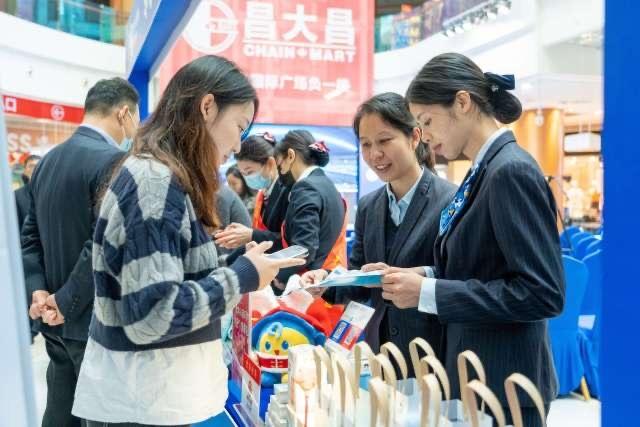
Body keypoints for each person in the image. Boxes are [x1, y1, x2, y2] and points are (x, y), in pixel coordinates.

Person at [70, 55, 304, 427]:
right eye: (239, 127)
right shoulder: (154, 182)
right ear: (207, 107)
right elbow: (152, 313)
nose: (238, 145)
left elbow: (166, 277)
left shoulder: (161, 176)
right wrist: (242, 275)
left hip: (150, 396)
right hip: (145, 403)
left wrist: (237, 266)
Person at [399, 52, 564, 426]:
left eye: (426, 121)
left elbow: (542, 293)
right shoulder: (482, 170)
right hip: (478, 379)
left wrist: (430, 294)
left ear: (462, 102)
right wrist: (420, 276)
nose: (424, 138)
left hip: (506, 386)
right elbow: (480, 265)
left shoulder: (510, 171)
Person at [300, 93, 456, 367]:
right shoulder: (369, 206)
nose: (375, 154)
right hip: (381, 351)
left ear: (414, 137)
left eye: (385, 141)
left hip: (434, 353)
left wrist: (418, 279)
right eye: (366, 144)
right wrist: (325, 282)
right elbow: (361, 280)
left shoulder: (450, 201)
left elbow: (458, 277)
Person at [21, 77, 139, 427]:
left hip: (53, 323)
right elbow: (103, 243)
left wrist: (41, 292)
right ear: (123, 114)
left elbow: (30, 237)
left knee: (59, 413)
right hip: (91, 320)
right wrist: (64, 302)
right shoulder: (115, 161)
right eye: (135, 119)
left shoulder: (47, 162)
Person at [271, 130, 347, 287]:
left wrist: (275, 275)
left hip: (308, 286)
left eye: (280, 165)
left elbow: (304, 248)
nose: (281, 173)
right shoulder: (327, 184)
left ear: (290, 156)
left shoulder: (306, 187)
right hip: (325, 279)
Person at [215, 133, 291, 250]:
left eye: (249, 172)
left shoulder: (288, 193)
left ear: (270, 164)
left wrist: (251, 235)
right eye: (243, 174)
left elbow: (289, 241)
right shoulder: (263, 194)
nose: (247, 178)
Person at [214, 185, 251, 265]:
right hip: (233, 246)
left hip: (237, 248)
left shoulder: (219, 195)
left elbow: (217, 232)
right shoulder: (219, 192)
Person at [15, 154, 41, 231]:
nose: (35, 169)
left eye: (38, 165)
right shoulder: (17, 196)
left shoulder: (51, 192)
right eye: (31, 166)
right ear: (25, 171)